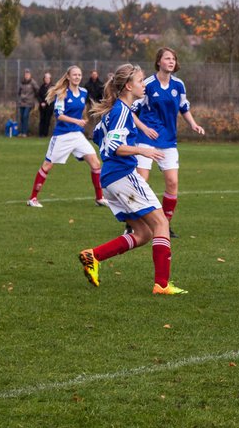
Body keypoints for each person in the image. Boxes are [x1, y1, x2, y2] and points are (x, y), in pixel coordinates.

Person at [77, 63, 185, 295]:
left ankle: (93, 256)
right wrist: (142, 151)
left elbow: (98, 136)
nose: (144, 84)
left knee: (144, 233)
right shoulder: (121, 111)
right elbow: (114, 146)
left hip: (109, 179)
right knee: (161, 224)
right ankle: (162, 285)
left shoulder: (117, 109)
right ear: (128, 86)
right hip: (122, 175)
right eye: (140, 81)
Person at [136, 48, 205, 227]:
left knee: (173, 183)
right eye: (167, 58)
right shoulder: (148, 84)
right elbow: (131, 110)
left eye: (173, 59)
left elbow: (183, 107)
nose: (171, 61)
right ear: (159, 62)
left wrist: (193, 124)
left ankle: (164, 224)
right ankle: (134, 223)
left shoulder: (178, 85)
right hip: (146, 140)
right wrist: (144, 128)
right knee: (141, 182)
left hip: (168, 140)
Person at [27, 66, 107, 208]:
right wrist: (77, 121)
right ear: (68, 77)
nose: (77, 77)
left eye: (79, 75)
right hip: (62, 136)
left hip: (77, 135)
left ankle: (99, 198)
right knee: (47, 165)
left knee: (95, 163)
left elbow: (83, 109)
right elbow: (59, 115)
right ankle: (32, 198)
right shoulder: (62, 93)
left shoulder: (84, 92)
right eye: (74, 75)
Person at [16, 68, 37, 138]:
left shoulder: (33, 82)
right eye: (26, 74)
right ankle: (21, 132)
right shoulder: (22, 82)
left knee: (25, 116)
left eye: (28, 74)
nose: (27, 75)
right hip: (22, 103)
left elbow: (37, 90)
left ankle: (25, 132)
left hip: (29, 103)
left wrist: (34, 99)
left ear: (30, 75)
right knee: (21, 117)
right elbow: (19, 92)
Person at [36, 71, 54, 137]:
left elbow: (52, 96)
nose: (47, 79)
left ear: (50, 79)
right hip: (42, 106)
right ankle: (40, 134)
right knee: (42, 120)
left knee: (47, 120)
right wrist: (41, 102)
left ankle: (45, 134)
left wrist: (45, 103)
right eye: (45, 78)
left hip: (49, 106)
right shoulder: (42, 87)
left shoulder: (52, 87)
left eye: (48, 78)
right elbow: (38, 95)